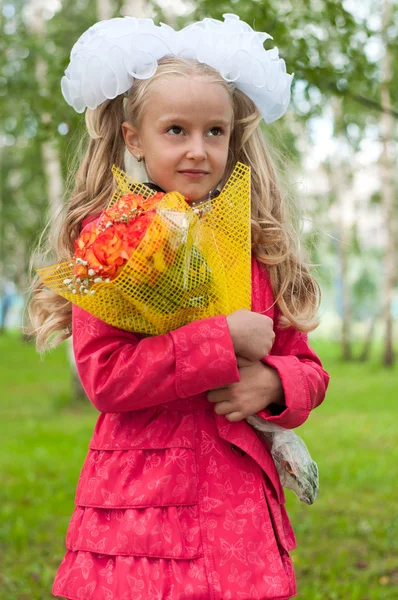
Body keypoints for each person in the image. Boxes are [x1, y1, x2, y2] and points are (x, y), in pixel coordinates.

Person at [29, 14, 330, 600]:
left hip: (238, 512)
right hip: (144, 508)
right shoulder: (111, 244)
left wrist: (272, 384)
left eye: (214, 132)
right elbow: (106, 379)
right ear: (132, 137)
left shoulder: (254, 246)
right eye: (175, 130)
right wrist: (222, 341)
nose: (198, 150)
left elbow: (309, 368)